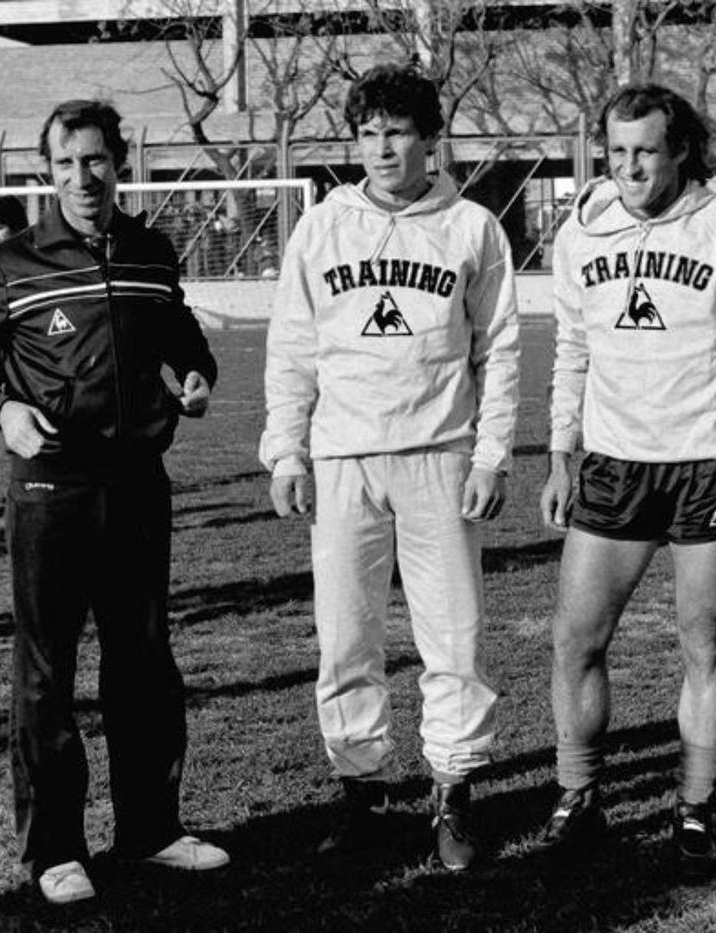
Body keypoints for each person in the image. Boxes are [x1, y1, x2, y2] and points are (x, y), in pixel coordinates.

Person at [0, 99, 226, 906]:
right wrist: (3, 412)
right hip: (52, 496)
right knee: (46, 674)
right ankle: (56, 847)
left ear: (119, 162)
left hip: (137, 488)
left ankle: (150, 829)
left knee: (143, 665)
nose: (81, 177)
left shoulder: (151, 251)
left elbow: (182, 337)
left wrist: (196, 375)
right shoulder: (13, 265)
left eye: (94, 160)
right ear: (46, 172)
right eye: (65, 164)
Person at [259, 63, 520, 873]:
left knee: (454, 636)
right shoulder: (322, 227)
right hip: (342, 459)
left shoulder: (472, 226)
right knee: (346, 637)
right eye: (368, 132)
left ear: (430, 140)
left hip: (438, 454)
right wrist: (285, 448)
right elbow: (292, 349)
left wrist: (493, 452)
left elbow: (500, 350)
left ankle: (453, 793)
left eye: (397, 132)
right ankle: (363, 794)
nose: (381, 148)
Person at [533, 83, 716, 882]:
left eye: (645, 150)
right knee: (575, 639)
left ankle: (695, 803)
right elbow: (571, 347)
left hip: (708, 467)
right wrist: (559, 453)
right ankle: (578, 795)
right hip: (614, 465)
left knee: (702, 642)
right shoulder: (581, 231)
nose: (630, 167)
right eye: (616, 152)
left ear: (681, 147)